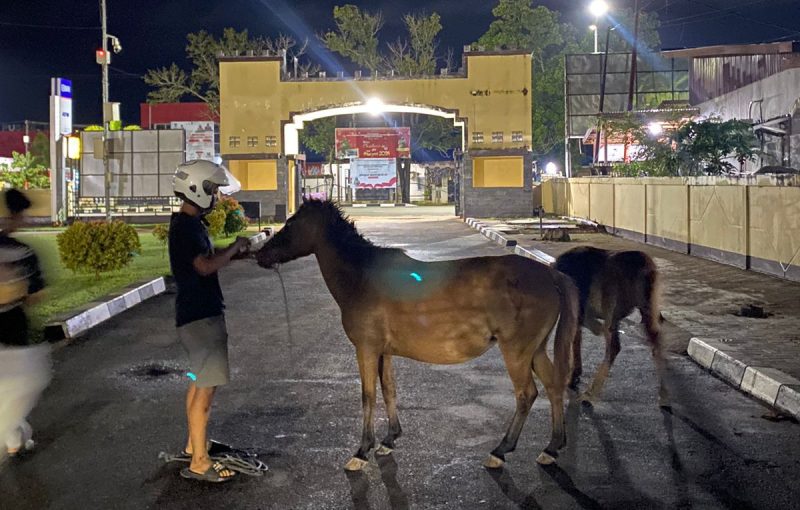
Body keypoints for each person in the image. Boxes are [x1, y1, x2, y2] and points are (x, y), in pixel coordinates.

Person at [169, 160, 249, 483]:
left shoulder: (190, 226)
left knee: (197, 380)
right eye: (212, 190)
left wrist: (238, 251)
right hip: (201, 318)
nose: (215, 196)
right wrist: (231, 252)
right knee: (205, 389)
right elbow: (203, 266)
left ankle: (194, 445)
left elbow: (209, 260)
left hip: (195, 315)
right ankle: (200, 462)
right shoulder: (186, 229)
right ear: (197, 190)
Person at [0, 188, 50, 461]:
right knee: (24, 382)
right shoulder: (21, 253)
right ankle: (12, 439)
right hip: (13, 327)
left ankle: (15, 438)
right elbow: (35, 295)